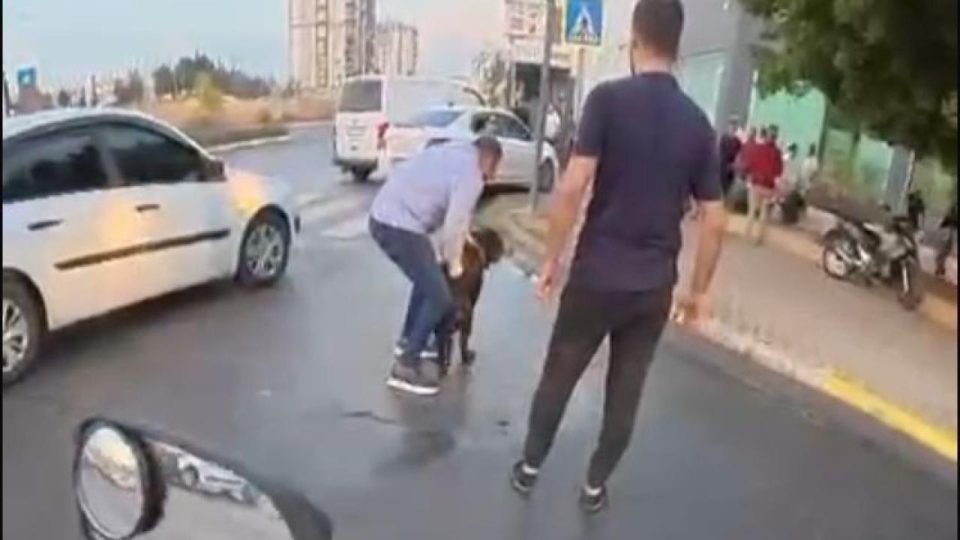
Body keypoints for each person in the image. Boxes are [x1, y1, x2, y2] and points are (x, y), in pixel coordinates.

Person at [509, 0, 727, 513]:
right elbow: (716, 220)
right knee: (626, 392)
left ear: (635, 40)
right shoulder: (699, 125)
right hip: (653, 286)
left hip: (596, 274)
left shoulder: (607, 100)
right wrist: (698, 293)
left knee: (560, 374)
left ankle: (530, 467)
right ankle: (593, 487)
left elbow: (572, 187)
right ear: (677, 47)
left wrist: (551, 260)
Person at [368, 137, 502, 396]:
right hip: (398, 224)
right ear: (489, 160)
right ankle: (405, 367)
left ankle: (408, 340)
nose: (493, 176)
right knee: (441, 297)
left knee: (427, 279)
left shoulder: (455, 151)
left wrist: (461, 240)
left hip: (384, 214)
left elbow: (456, 216)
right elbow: (453, 227)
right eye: (495, 169)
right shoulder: (472, 175)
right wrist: (455, 266)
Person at [744, 127, 783, 244]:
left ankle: (747, 235)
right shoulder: (777, 153)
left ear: (766, 136)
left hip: (756, 184)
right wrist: (777, 188)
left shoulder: (758, 148)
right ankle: (759, 237)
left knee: (752, 211)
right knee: (764, 213)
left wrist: (749, 177)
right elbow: (779, 171)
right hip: (768, 187)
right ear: (776, 138)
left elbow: (749, 165)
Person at [719, 118, 743, 197]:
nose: (733, 129)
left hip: (731, 168)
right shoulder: (723, 138)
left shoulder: (738, 142)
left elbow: (739, 155)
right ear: (728, 127)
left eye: (734, 127)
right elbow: (720, 152)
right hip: (722, 166)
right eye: (732, 127)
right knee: (720, 186)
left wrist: (734, 165)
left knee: (727, 188)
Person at [936, 199, 957, 278]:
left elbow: (942, 225)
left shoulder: (950, 217)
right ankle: (940, 268)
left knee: (942, 253)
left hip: (948, 234)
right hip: (950, 235)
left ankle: (940, 268)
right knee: (944, 252)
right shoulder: (952, 217)